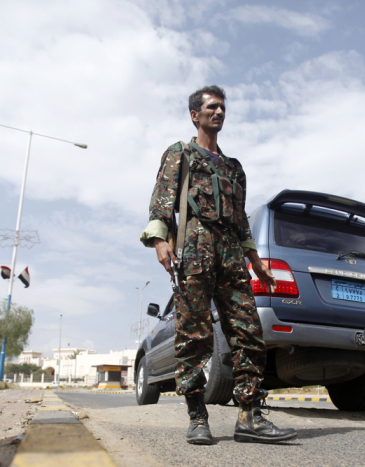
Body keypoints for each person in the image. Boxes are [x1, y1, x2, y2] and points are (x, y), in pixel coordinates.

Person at [140, 85, 297, 445]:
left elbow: (240, 220)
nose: (219, 112)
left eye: (223, 107)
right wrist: (161, 240)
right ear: (195, 115)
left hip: (231, 257)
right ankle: (197, 417)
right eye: (212, 107)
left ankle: (249, 416)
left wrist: (256, 261)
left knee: (248, 333)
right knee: (193, 336)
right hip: (194, 251)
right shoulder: (180, 153)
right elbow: (161, 201)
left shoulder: (233, 168)